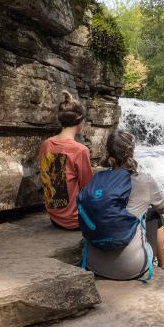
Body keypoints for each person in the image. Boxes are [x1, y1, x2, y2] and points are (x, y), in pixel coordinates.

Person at [85, 130, 164, 280]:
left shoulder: (98, 178)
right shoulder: (144, 180)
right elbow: (163, 208)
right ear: (131, 152)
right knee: (155, 216)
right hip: (130, 268)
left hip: (94, 264)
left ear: (108, 152)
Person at [39, 90, 93, 229]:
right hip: (74, 221)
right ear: (80, 119)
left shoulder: (46, 144)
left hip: (54, 217)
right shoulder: (80, 150)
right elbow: (88, 187)